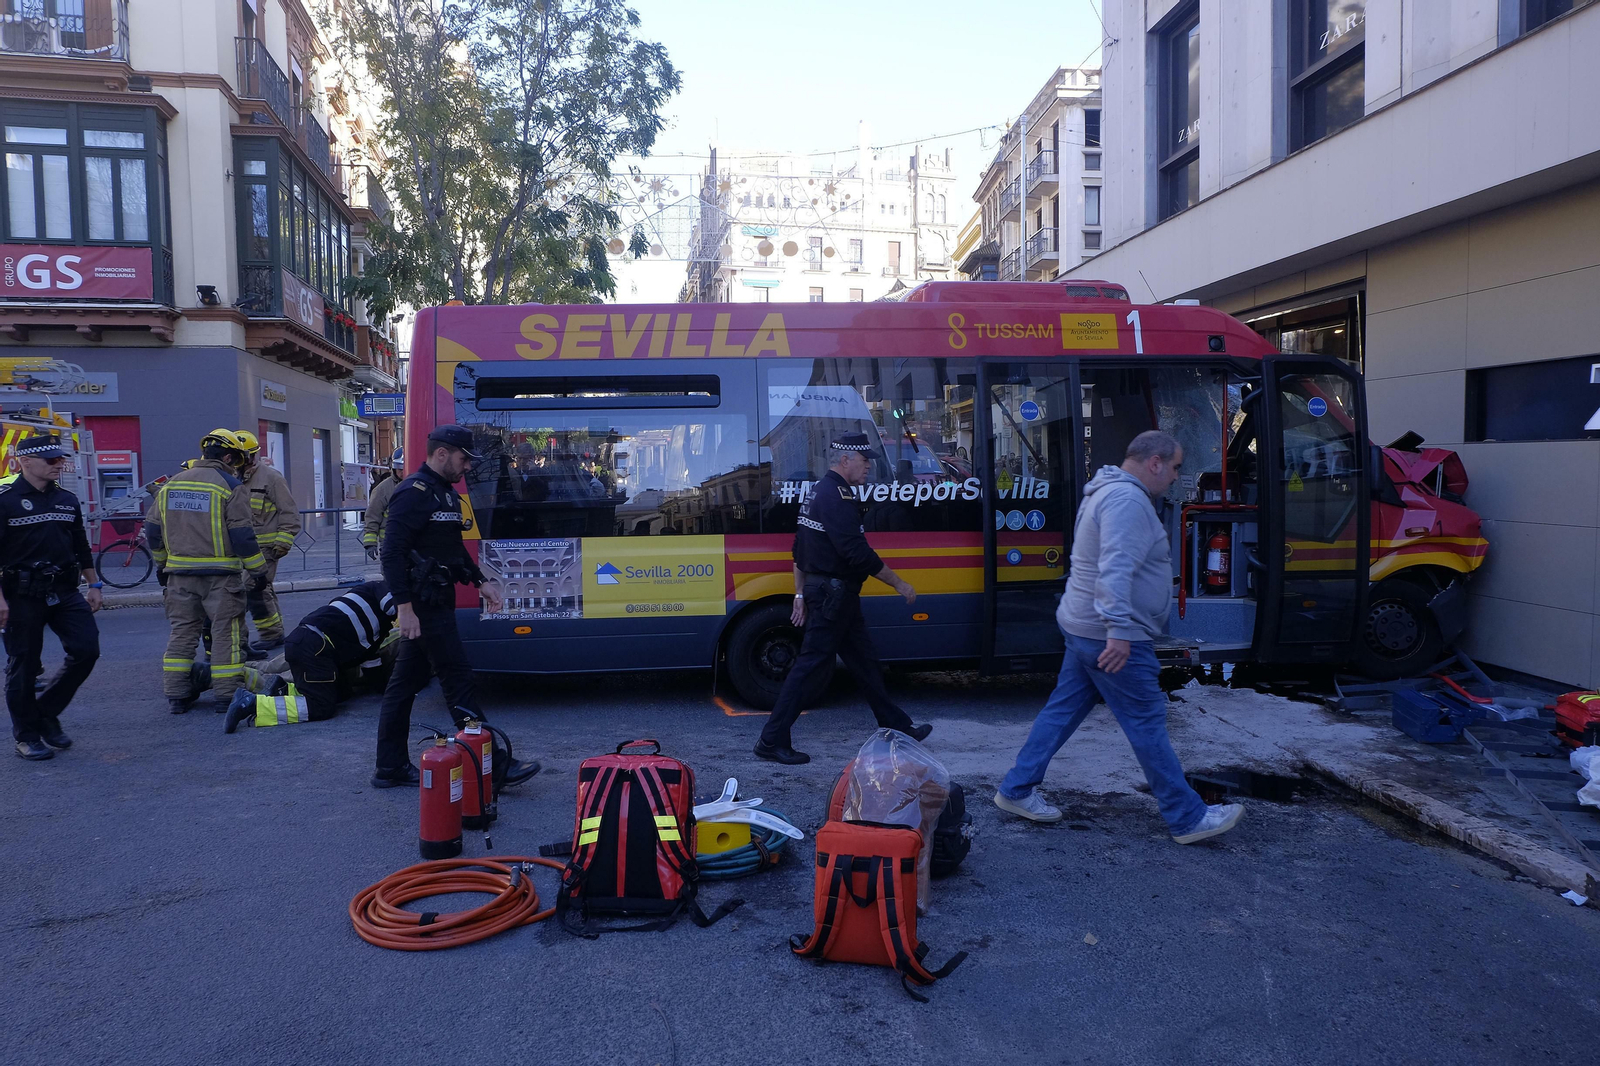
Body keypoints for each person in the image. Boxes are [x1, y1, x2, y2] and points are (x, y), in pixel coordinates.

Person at [993, 430, 1244, 844]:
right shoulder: (1126, 501)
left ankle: (1015, 789)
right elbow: (1115, 568)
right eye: (1176, 467)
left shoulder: (1108, 490)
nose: (1178, 477)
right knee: (1146, 723)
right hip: (1108, 634)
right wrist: (1120, 632)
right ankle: (1187, 818)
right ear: (1155, 463)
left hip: (1084, 626)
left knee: (1062, 710)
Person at [372, 425, 539, 788]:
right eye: (464, 459)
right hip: (424, 605)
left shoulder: (444, 495)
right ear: (442, 453)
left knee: (404, 686)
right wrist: (405, 607)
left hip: (438, 600)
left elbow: (452, 551)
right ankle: (493, 765)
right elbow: (391, 553)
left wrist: (481, 582)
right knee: (458, 679)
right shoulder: (412, 493)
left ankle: (389, 767)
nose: (467, 467)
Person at [755, 431, 931, 766]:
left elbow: (798, 550)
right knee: (809, 668)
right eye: (865, 461)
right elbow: (857, 553)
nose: (868, 468)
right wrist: (899, 584)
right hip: (833, 596)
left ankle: (895, 723)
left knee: (864, 662)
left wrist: (798, 593)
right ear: (845, 460)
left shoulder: (818, 493)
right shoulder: (837, 497)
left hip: (833, 595)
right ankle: (771, 739)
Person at [146, 429, 267, 714]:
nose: (237, 467)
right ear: (227, 457)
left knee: (182, 633)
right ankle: (226, 696)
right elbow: (242, 535)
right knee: (227, 634)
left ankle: (176, 695)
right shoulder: (229, 485)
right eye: (236, 461)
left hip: (179, 576)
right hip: (220, 577)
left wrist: (162, 564)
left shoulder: (172, 484)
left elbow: (153, 531)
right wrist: (258, 571)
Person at [0, 433, 102, 760]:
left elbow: (80, 545)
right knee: (24, 667)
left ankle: (45, 713)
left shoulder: (66, 499)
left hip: (63, 590)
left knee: (87, 650)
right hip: (19, 595)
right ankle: (27, 735)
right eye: (51, 460)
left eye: (60, 459)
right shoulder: (5, 498)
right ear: (24, 462)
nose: (59, 464)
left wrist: (94, 584)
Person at [224, 580, 398, 732]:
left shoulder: (368, 607)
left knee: (342, 692)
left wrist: (392, 690)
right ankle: (253, 704)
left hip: (306, 640)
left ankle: (281, 689)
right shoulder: (382, 589)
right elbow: (394, 606)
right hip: (317, 646)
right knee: (321, 706)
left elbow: (371, 666)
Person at [236, 431, 300, 650]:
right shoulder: (229, 479)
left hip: (266, 548)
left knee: (252, 586)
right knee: (262, 588)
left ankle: (269, 634)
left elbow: (289, 513)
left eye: (248, 456)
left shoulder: (271, 478)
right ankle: (275, 633)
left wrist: (283, 542)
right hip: (240, 548)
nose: (244, 461)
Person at [362, 448, 405, 559]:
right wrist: (370, 543)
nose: (402, 472)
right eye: (399, 468)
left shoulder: (420, 485)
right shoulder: (383, 489)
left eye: (405, 468)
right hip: (390, 543)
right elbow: (372, 515)